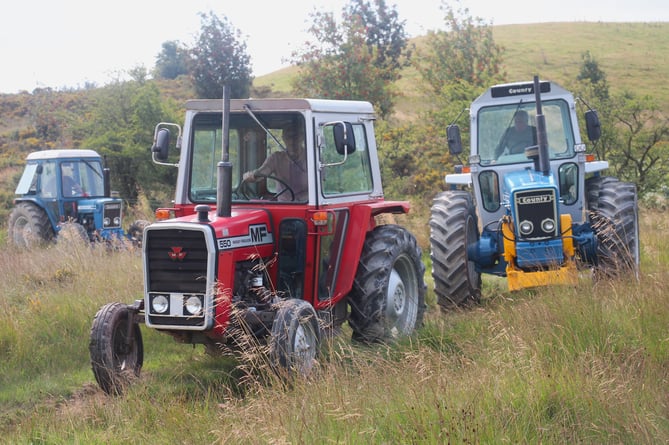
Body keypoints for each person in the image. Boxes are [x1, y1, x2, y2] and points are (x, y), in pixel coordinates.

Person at [242, 125, 308, 201]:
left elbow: (319, 184)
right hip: (283, 205)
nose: (292, 141)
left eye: (295, 136)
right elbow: (262, 173)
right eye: (288, 137)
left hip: (307, 204)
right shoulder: (276, 158)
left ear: (302, 137)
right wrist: (251, 176)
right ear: (283, 138)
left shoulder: (311, 157)